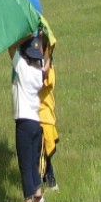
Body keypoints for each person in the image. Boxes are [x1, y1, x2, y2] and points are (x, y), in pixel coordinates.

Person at [12, 37, 47, 202]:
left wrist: (18, 36)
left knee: (25, 164)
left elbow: (11, 50)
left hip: (24, 123)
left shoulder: (23, 68)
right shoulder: (39, 73)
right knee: (33, 162)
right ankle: (38, 197)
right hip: (36, 122)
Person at [38, 33, 59, 191]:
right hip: (37, 116)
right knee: (40, 151)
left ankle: (49, 178)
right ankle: (44, 177)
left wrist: (47, 57)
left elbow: (44, 79)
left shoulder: (49, 70)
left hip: (46, 117)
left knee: (47, 151)